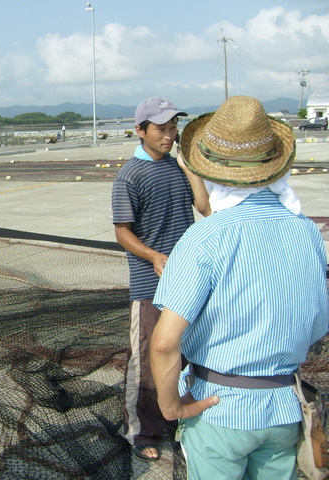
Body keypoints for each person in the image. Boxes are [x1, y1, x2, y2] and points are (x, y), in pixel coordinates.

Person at [150, 95, 328, 479]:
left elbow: (164, 342)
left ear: (211, 170)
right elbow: (317, 323)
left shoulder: (205, 237)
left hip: (218, 407)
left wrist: (171, 407)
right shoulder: (306, 230)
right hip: (284, 404)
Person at [111, 97, 211, 461]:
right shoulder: (129, 175)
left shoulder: (176, 167)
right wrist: (153, 256)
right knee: (149, 364)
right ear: (140, 131)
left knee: (189, 357)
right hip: (150, 285)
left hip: (188, 281)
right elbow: (122, 231)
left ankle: (182, 421)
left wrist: (189, 166)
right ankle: (142, 431)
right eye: (161, 129)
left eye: (173, 129)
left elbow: (205, 208)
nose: (169, 136)